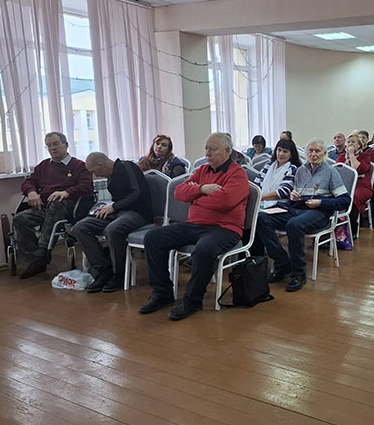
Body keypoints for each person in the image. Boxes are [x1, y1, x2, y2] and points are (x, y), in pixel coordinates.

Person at [139, 133, 250, 321]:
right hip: (195, 225)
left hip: (225, 228)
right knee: (153, 238)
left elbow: (225, 201)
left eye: (212, 149)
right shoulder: (202, 170)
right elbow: (179, 193)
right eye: (206, 149)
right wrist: (202, 189)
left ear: (227, 151)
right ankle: (162, 292)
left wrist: (196, 199)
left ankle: (193, 300)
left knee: (204, 250)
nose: (207, 153)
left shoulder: (237, 173)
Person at [256, 138, 350, 292]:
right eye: (310, 151)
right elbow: (295, 199)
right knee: (262, 218)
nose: (313, 154)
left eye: (317, 151)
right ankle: (282, 263)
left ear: (324, 153)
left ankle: (299, 273)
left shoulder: (330, 171)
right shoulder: (301, 170)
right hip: (299, 209)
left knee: (294, 225)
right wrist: (293, 197)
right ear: (305, 153)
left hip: (319, 212)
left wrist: (321, 202)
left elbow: (345, 200)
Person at [13, 131, 93, 279]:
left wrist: (67, 192)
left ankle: (43, 249)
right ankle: (37, 259)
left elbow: (87, 186)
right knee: (19, 219)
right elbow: (28, 182)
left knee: (56, 203)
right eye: (49, 146)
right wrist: (31, 192)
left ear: (66, 145)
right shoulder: (43, 166)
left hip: (69, 207)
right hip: (45, 207)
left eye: (56, 144)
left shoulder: (79, 165)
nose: (52, 148)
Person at [70, 152, 152, 293]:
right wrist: (109, 208)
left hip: (138, 212)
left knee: (113, 230)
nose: (96, 175)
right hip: (119, 212)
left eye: (94, 171)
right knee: (80, 227)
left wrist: (114, 207)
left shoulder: (127, 167)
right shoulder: (111, 177)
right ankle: (104, 270)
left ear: (101, 165)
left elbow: (136, 193)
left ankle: (119, 274)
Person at [336, 134, 372, 237]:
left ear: (359, 145)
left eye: (353, 142)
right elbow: (337, 172)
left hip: (361, 186)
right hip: (345, 185)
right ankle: (337, 226)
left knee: (353, 197)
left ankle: (353, 228)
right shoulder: (342, 157)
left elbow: (358, 169)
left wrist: (351, 154)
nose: (350, 144)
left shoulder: (365, 156)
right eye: (348, 142)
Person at [254, 138, 300, 208]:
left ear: (291, 155)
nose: (281, 154)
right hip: (260, 202)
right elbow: (256, 184)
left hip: (279, 205)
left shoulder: (292, 169)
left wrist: (260, 197)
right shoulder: (268, 165)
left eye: (285, 151)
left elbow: (283, 191)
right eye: (279, 150)